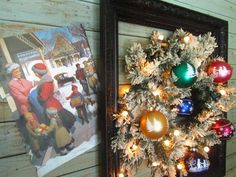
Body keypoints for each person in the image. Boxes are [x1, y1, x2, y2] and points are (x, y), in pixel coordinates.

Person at [31, 63, 76, 131]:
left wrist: (38, 97)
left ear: (38, 73)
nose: (35, 74)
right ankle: (67, 135)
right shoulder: (46, 80)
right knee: (60, 122)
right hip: (54, 103)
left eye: (35, 72)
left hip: (51, 106)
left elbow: (44, 97)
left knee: (59, 123)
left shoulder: (45, 83)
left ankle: (66, 136)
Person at [6, 63, 33, 143]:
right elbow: (19, 98)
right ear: (12, 74)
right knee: (31, 125)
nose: (19, 73)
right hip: (24, 108)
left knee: (37, 122)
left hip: (32, 105)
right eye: (16, 72)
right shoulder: (11, 85)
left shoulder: (23, 80)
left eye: (19, 71)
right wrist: (31, 98)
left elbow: (31, 86)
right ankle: (38, 146)